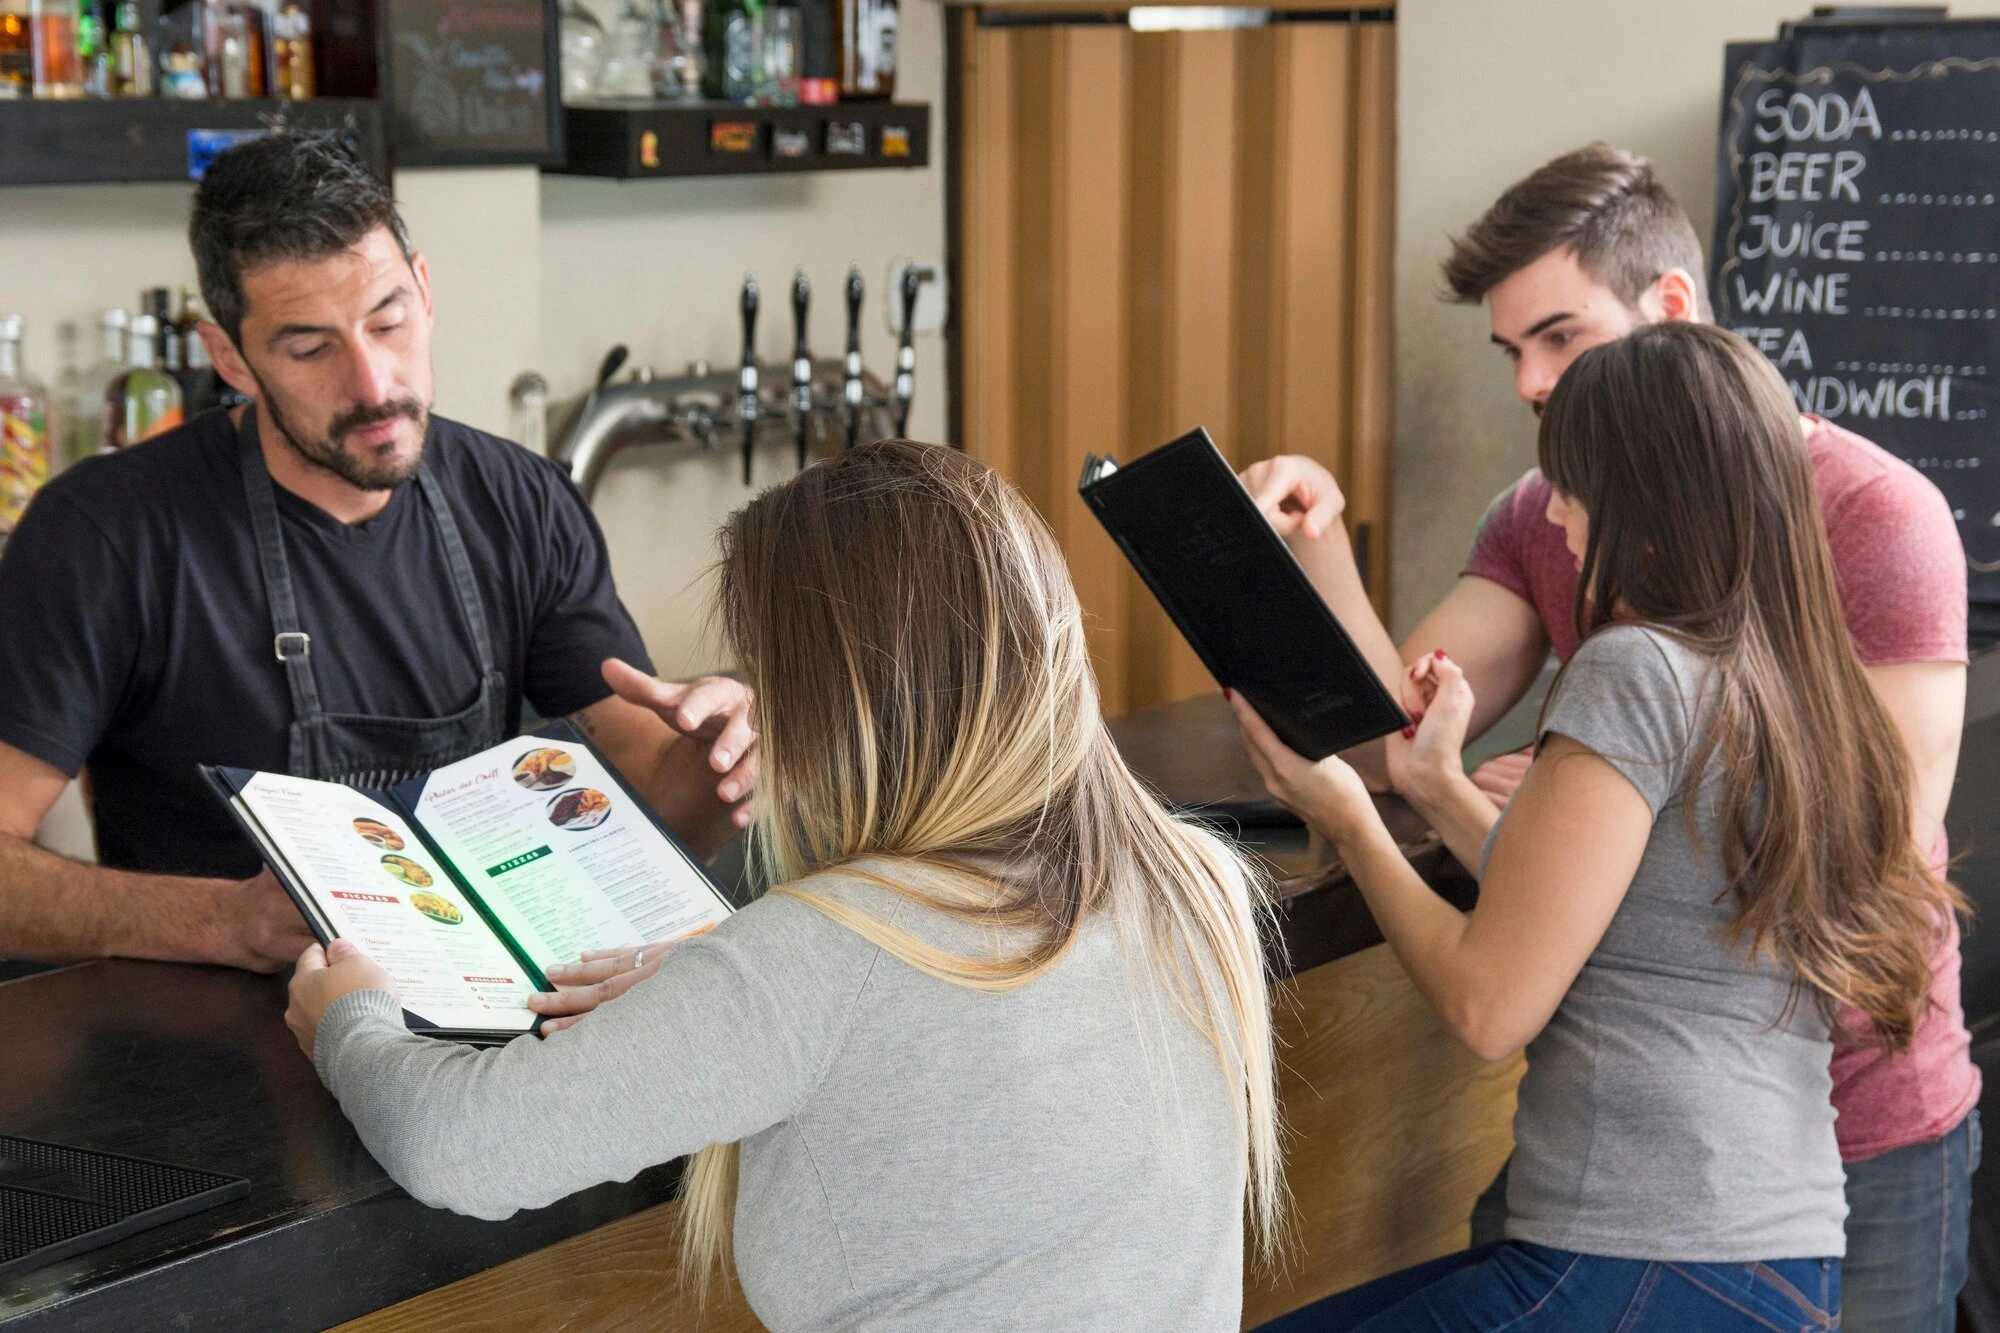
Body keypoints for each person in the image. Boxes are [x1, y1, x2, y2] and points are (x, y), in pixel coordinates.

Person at [284, 441, 1285, 1331]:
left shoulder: (815, 960)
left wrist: (349, 1018)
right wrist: (721, 978)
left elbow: (460, 1147)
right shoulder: (1193, 876)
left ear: (827, 696)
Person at [1240, 144, 1977, 1330]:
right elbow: (1402, 731)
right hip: (1692, 1201)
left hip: (1835, 1135)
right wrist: (1320, 551)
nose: (1530, 386)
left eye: (1559, 338)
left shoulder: (1873, 522)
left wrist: (1537, 800)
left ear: (1667, 310)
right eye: (1510, 353)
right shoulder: (1575, 536)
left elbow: (1847, 868)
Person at [0, 133, 754, 974]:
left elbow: (653, 805)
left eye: (388, 323)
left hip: (487, 1018)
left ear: (424, 291)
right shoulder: (104, 536)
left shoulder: (521, 502)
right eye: (309, 349)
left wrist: (721, 760)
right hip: (205, 1036)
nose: (372, 385)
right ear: (230, 358)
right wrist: (222, 921)